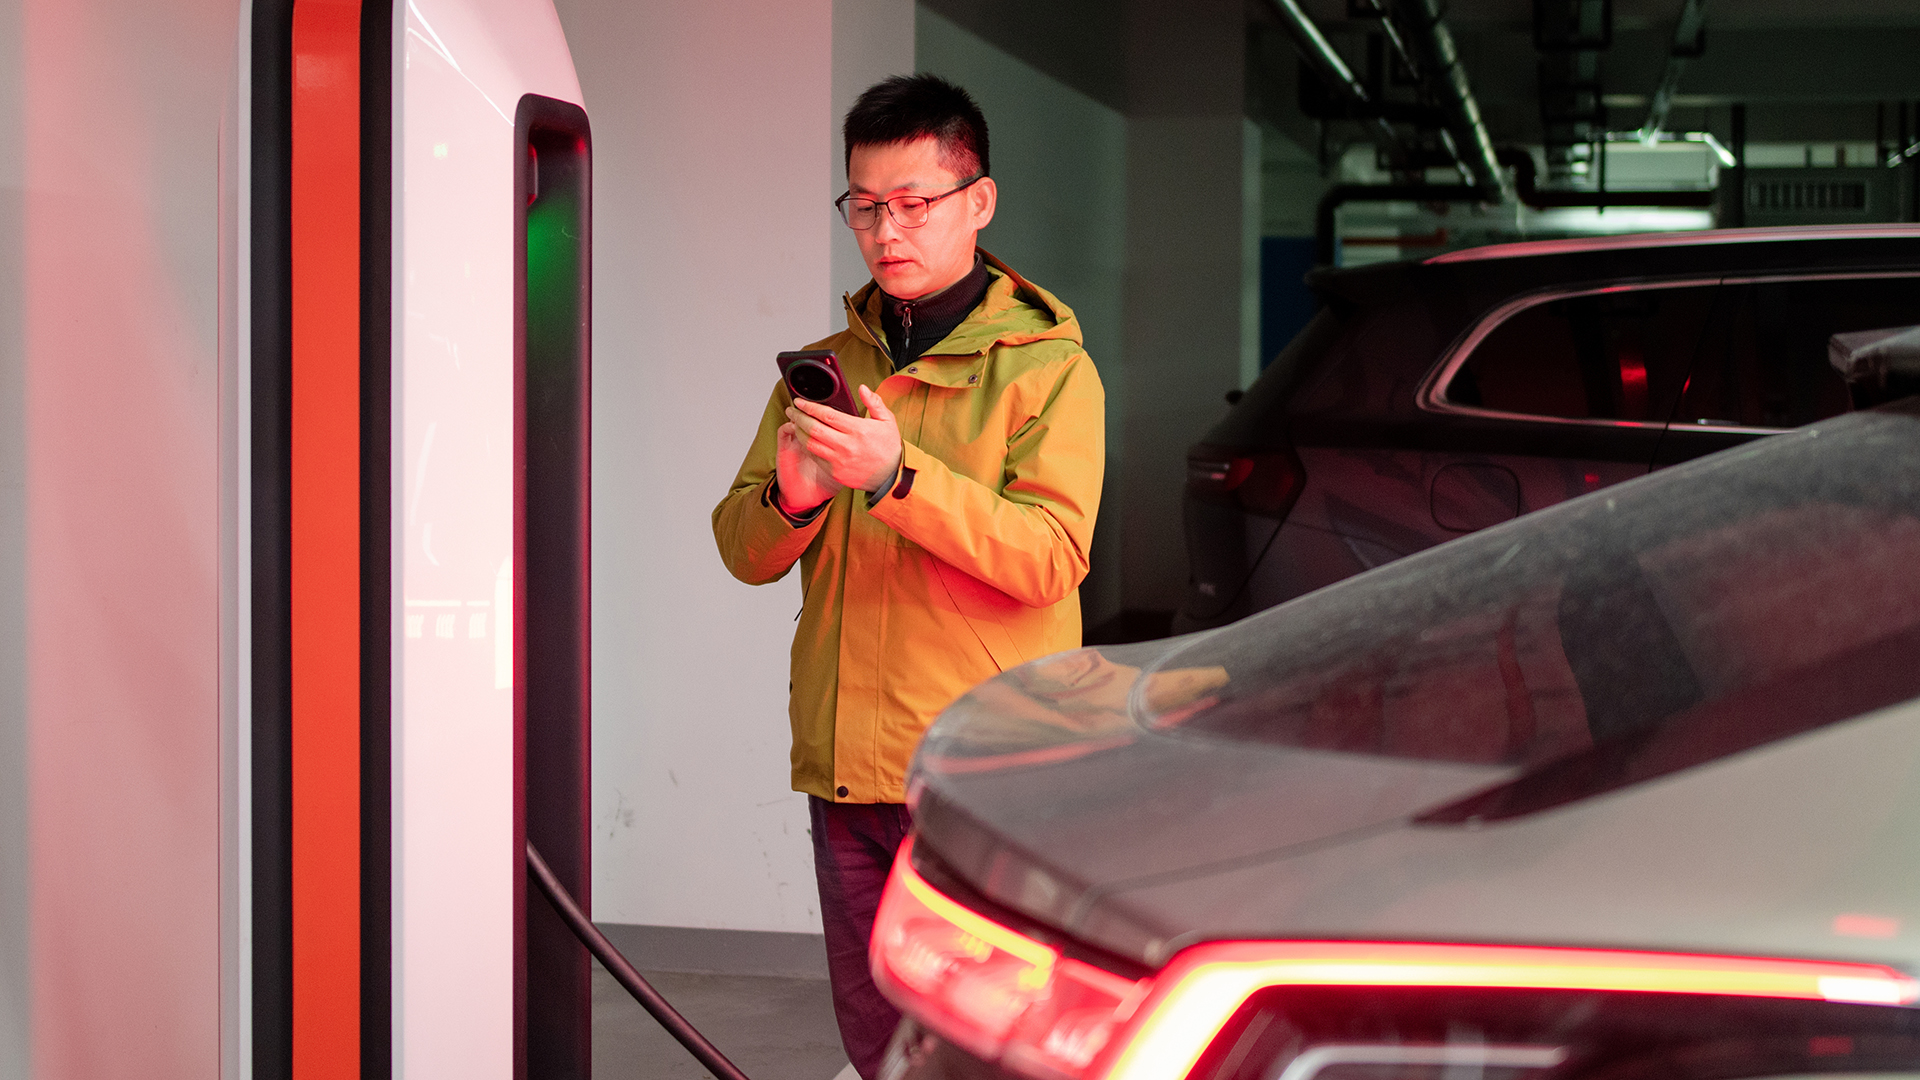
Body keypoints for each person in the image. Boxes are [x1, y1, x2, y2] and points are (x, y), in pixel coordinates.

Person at [711, 74, 1106, 1080]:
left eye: (915, 203)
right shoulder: (832, 367)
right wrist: (794, 496)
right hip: (845, 762)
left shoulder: (1048, 372)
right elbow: (740, 550)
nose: (888, 230)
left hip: (983, 773)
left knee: (984, 1036)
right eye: (865, 205)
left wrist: (898, 478)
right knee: (875, 1029)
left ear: (978, 202)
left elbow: (1050, 556)